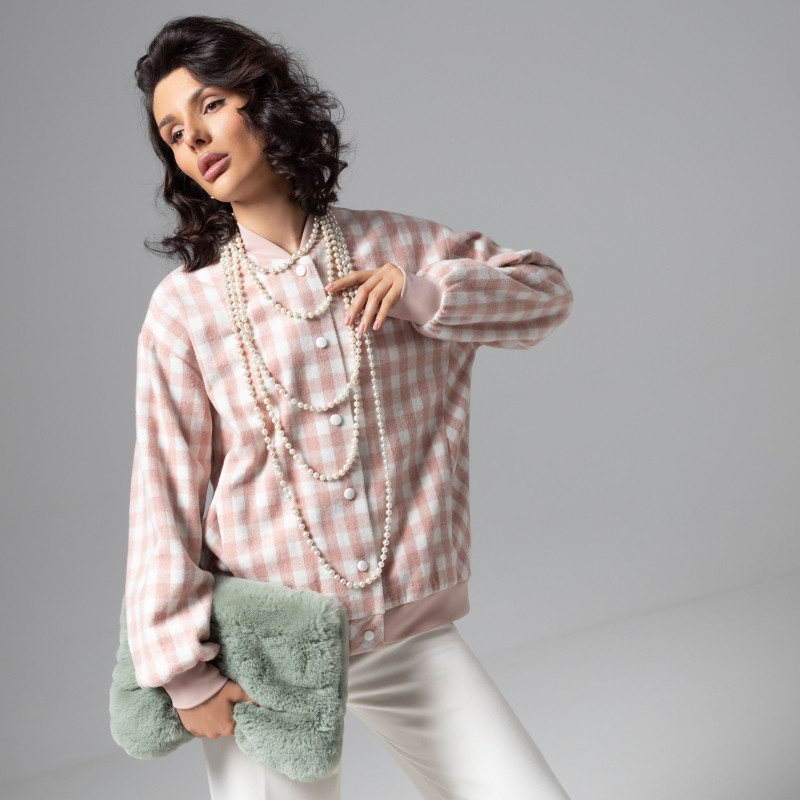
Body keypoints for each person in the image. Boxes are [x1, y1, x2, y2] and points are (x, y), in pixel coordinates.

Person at [127, 14, 574, 800]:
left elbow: (545, 296)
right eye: (172, 132)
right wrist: (183, 672)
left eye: (209, 105)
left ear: (264, 102)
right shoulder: (184, 308)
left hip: (406, 633)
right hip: (268, 653)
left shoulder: (397, 249)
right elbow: (162, 494)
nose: (192, 137)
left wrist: (426, 296)